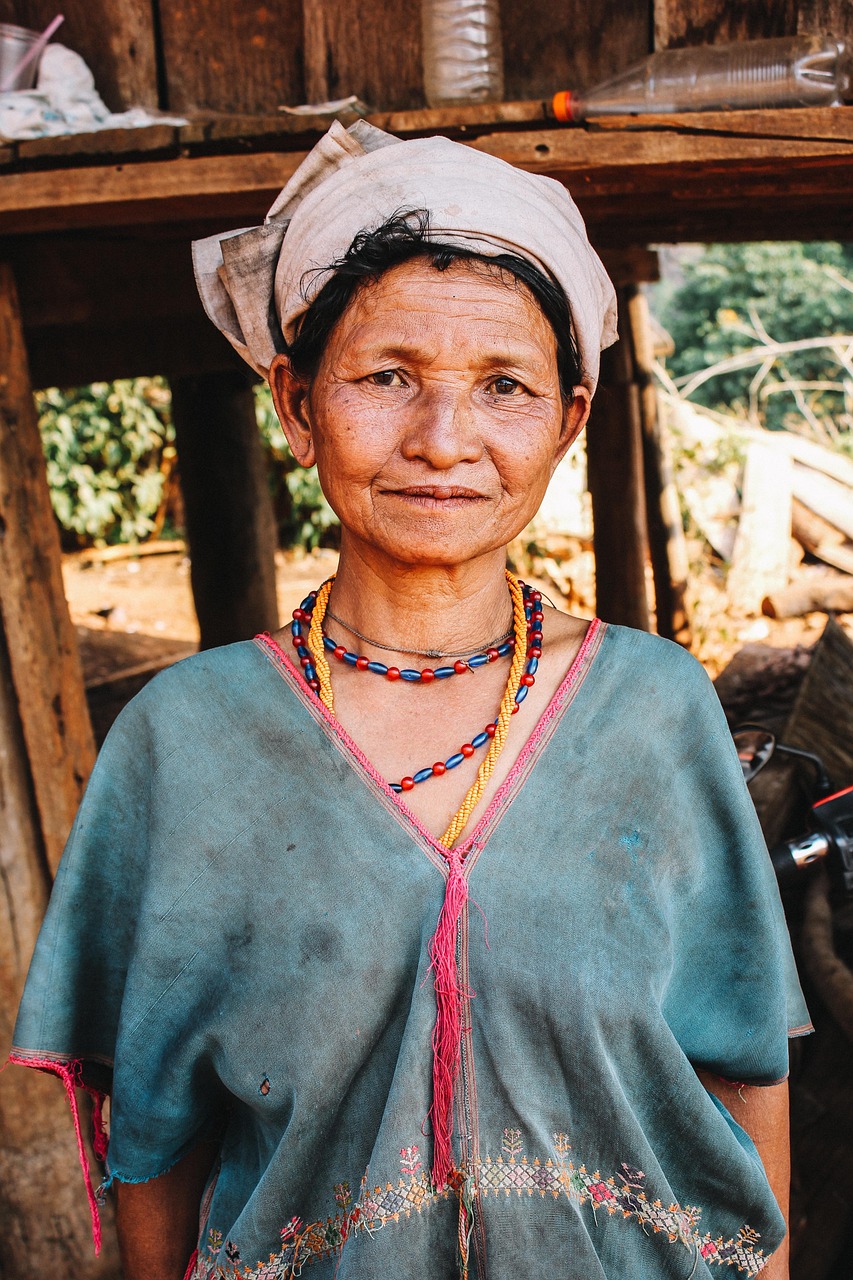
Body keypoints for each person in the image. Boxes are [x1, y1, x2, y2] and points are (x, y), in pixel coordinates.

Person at [12, 121, 810, 1280]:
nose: (444, 440)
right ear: (295, 403)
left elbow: (742, 1073)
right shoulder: (183, 746)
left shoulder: (654, 708)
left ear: (568, 420)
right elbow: (155, 1139)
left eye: (503, 386)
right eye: (386, 377)